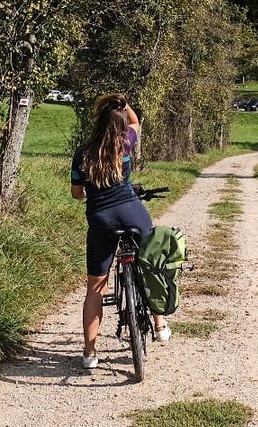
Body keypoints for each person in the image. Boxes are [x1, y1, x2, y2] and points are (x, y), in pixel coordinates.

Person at [69, 93, 169, 369]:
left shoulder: (82, 154)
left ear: (98, 122)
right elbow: (135, 122)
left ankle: (90, 354)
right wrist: (124, 105)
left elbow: (77, 194)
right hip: (131, 211)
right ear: (120, 124)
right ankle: (160, 325)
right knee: (151, 265)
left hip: (100, 219)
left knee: (95, 287)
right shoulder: (125, 144)